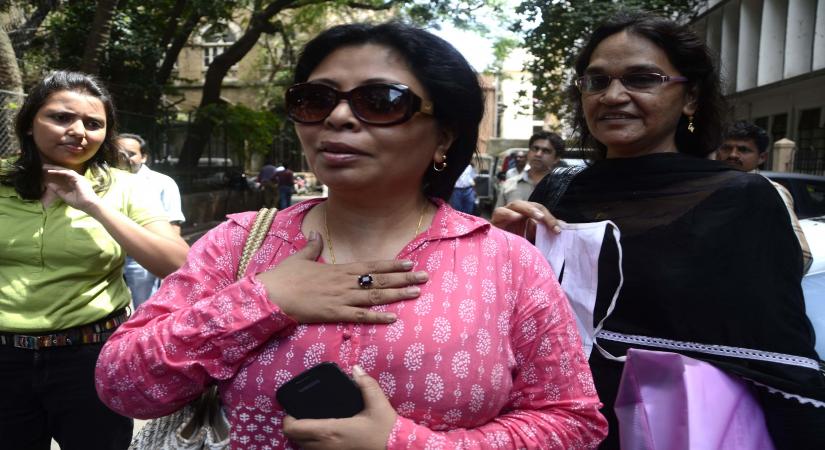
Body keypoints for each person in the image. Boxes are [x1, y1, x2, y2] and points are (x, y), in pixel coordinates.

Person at [96, 21, 607, 449]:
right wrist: (261, 301)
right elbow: (122, 387)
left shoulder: (506, 261)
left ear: (444, 136)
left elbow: (573, 422)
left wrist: (408, 444)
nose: (338, 117)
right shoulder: (237, 243)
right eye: (316, 100)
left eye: (380, 101)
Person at [492, 12, 825, 450]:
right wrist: (505, 251)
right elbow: (522, 316)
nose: (613, 96)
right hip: (548, 421)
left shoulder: (743, 198)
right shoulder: (559, 185)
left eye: (642, 79)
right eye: (596, 81)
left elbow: (775, 352)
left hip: (673, 427)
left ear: (690, 98)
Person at [0, 71, 189, 449]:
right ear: (29, 123)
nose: (78, 131)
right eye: (60, 117)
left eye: (93, 123)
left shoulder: (126, 186)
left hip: (91, 357)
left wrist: (94, 205)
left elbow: (178, 263)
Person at [717, 121, 812, 273]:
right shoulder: (709, 186)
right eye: (727, 148)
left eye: (743, 149)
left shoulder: (772, 191)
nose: (733, 155)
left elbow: (802, 255)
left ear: (762, 158)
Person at [118, 133, 187, 308]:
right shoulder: (103, 181)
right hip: (108, 255)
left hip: (141, 258)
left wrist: (167, 265)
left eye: (131, 153)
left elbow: (173, 225)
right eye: (117, 152)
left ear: (144, 157)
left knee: (143, 306)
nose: (124, 158)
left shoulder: (162, 183)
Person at [496, 131, 563, 207]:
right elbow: (497, 216)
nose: (538, 154)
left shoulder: (563, 189)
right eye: (535, 149)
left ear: (556, 158)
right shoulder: (509, 184)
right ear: (529, 152)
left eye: (546, 151)